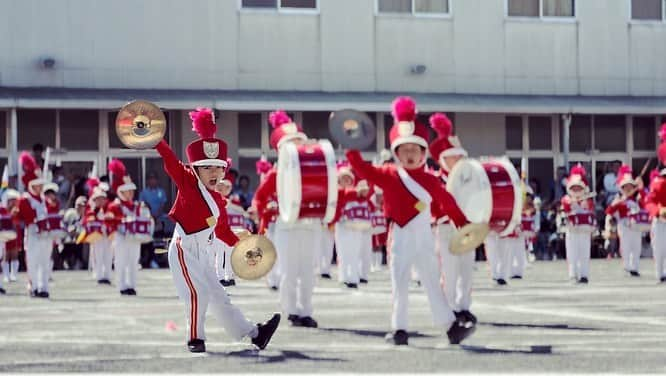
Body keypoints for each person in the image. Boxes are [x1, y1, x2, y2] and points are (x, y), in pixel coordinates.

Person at [346, 97, 475, 346]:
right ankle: (399, 329)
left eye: (414, 150)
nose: (409, 155)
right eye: (404, 150)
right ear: (396, 153)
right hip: (400, 234)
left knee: (431, 281)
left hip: (424, 236)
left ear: (424, 153)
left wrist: (463, 223)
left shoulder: (429, 179)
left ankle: (450, 326)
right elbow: (364, 170)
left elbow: (447, 201)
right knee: (399, 282)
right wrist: (351, 148)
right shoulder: (388, 174)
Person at [155, 107, 279, 353]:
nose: (214, 173)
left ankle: (255, 334)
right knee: (197, 292)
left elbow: (223, 233)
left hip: (205, 255)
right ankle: (195, 338)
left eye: (218, 168)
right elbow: (170, 161)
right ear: (196, 169)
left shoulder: (220, 203)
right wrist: (156, 138)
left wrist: (245, 249)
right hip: (184, 249)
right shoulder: (187, 182)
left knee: (220, 297)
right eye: (207, 167)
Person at [252, 110, 320, 328]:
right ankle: (292, 311)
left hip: (310, 225)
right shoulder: (276, 173)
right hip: (286, 226)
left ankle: (307, 311)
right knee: (289, 271)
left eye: (299, 143)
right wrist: (265, 213)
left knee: (308, 272)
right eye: (291, 144)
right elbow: (260, 198)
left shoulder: (314, 169)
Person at [428, 112, 477, 325]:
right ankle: (447, 308)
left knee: (467, 269)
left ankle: (463, 306)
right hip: (446, 228)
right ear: (443, 159)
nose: (458, 160)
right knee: (448, 271)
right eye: (453, 156)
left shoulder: (470, 180)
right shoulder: (436, 180)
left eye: (460, 156)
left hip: (467, 229)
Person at [106, 159, 152, 296]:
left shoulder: (137, 205)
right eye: (127, 191)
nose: (131, 193)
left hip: (135, 238)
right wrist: (123, 221)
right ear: (121, 192)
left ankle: (132, 285)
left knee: (133, 261)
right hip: (121, 237)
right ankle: (122, 286)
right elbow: (108, 220)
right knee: (121, 261)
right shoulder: (114, 206)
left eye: (131, 190)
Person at [14, 152, 51, 298]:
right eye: (37, 185)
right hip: (33, 232)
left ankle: (44, 287)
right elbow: (26, 217)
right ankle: (34, 286)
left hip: (45, 234)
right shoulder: (25, 199)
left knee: (45, 262)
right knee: (33, 261)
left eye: (41, 185)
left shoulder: (44, 199)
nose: (40, 187)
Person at [605, 165, 645, 277]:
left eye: (630, 186)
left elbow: (645, 205)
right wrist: (618, 202)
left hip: (636, 225)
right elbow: (608, 211)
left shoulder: (637, 198)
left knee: (637, 247)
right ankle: (627, 267)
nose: (628, 188)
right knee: (626, 247)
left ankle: (635, 268)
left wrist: (641, 189)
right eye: (625, 186)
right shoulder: (618, 199)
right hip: (624, 225)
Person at [561, 164, 595, 283]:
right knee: (572, 254)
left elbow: (591, 212)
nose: (576, 190)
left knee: (585, 253)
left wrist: (583, 201)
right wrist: (573, 201)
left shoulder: (587, 201)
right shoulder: (566, 199)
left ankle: (584, 275)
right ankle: (573, 275)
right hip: (572, 231)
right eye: (574, 188)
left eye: (579, 188)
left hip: (585, 231)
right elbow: (565, 206)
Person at [61, 196, 86, 270]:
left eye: (81, 206)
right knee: (68, 241)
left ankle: (80, 262)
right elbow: (63, 224)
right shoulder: (70, 213)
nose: (79, 207)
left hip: (83, 238)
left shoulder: (88, 214)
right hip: (69, 237)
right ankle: (66, 261)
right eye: (78, 205)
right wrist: (69, 230)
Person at [1, 189, 21, 283]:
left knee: (14, 254)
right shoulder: (1, 209)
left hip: (14, 234)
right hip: (3, 235)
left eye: (15, 200)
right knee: (5, 254)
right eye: (12, 200)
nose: (14, 202)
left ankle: (14, 274)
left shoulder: (17, 210)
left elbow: (17, 222)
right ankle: (6, 275)